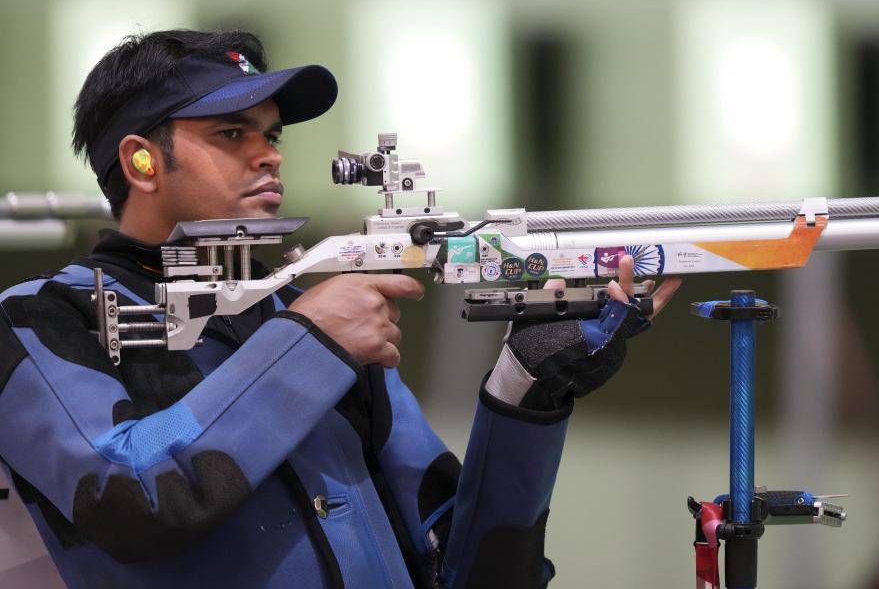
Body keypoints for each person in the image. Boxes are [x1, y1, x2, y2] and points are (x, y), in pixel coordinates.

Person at [0, 29, 680, 589]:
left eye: (273, 136)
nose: (269, 155)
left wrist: (528, 385)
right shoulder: (40, 320)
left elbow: (472, 569)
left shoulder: (303, 312)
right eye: (233, 134)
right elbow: (133, 501)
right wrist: (310, 342)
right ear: (143, 162)